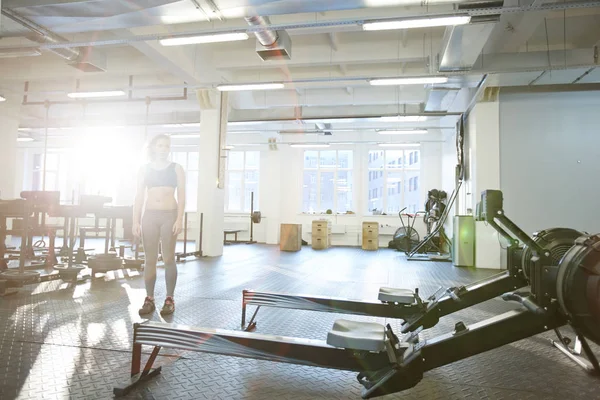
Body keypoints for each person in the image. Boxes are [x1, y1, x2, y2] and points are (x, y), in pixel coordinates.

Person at [132, 134, 186, 316]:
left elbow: (183, 196)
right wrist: (135, 220)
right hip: (149, 216)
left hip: (169, 215)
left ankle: (169, 299)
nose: (163, 149)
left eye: (166, 146)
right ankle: (149, 299)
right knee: (150, 259)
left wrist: (179, 219)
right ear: (154, 148)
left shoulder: (177, 168)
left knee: (169, 257)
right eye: (160, 146)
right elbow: (139, 196)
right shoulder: (144, 169)